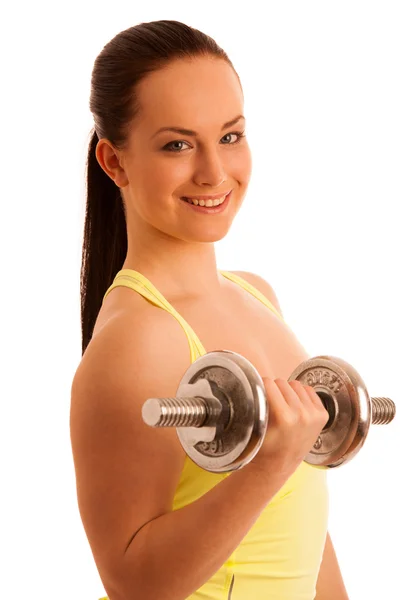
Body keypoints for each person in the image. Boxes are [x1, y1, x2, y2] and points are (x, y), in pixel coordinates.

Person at [70, 19, 349, 600]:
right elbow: (133, 583)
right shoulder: (139, 338)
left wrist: (286, 460)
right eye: (178, 144)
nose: (215, 173)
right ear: (114, 163)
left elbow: (302, 532)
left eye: (230, 136)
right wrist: (269, 463)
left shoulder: (256, 294)